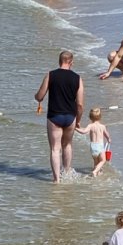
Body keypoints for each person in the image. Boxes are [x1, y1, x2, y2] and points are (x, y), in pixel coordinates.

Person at [34, 51, 84, 182]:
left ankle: (56, 180)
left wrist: (36, 97)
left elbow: (40, 96)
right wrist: (78, 120)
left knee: (55, 149)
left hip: (54, 116)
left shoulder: (50, 75)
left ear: (59, 61)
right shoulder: (77, 78)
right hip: (70, 116)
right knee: (67, 145)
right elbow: (80, 105)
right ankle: (66, 173)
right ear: (71, 62)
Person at [78, 108, 111, 177]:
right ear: (100, 117)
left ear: (90, 117)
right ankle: (95, 171)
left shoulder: (90, 126)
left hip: (93, 146)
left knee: (96, 162)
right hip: (100, 146)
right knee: (103, 160)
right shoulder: (102, 126)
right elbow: (107, 135)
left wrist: (76, 128)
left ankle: (96, 174)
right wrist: (109, 139)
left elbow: (84, 131)